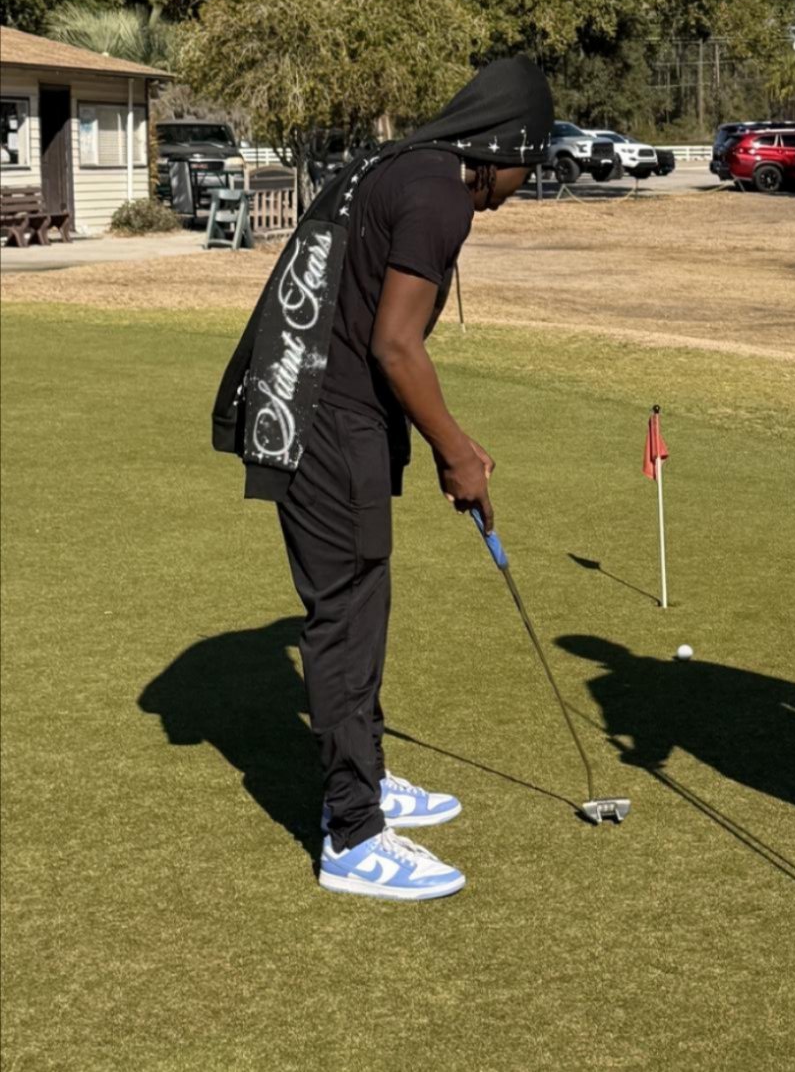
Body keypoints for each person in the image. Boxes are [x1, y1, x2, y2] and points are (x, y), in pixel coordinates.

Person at [213, 58, 553, 900]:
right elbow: (396, 344)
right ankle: (354, 834)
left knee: (364, 600)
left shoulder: (404, 165)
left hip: (323, 410)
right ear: (505, 145)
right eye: (531, 163)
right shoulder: (441, 195)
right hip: (327, 421)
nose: (523, 182)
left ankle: (363, 771)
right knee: (346, 613)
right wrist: (458, 450)